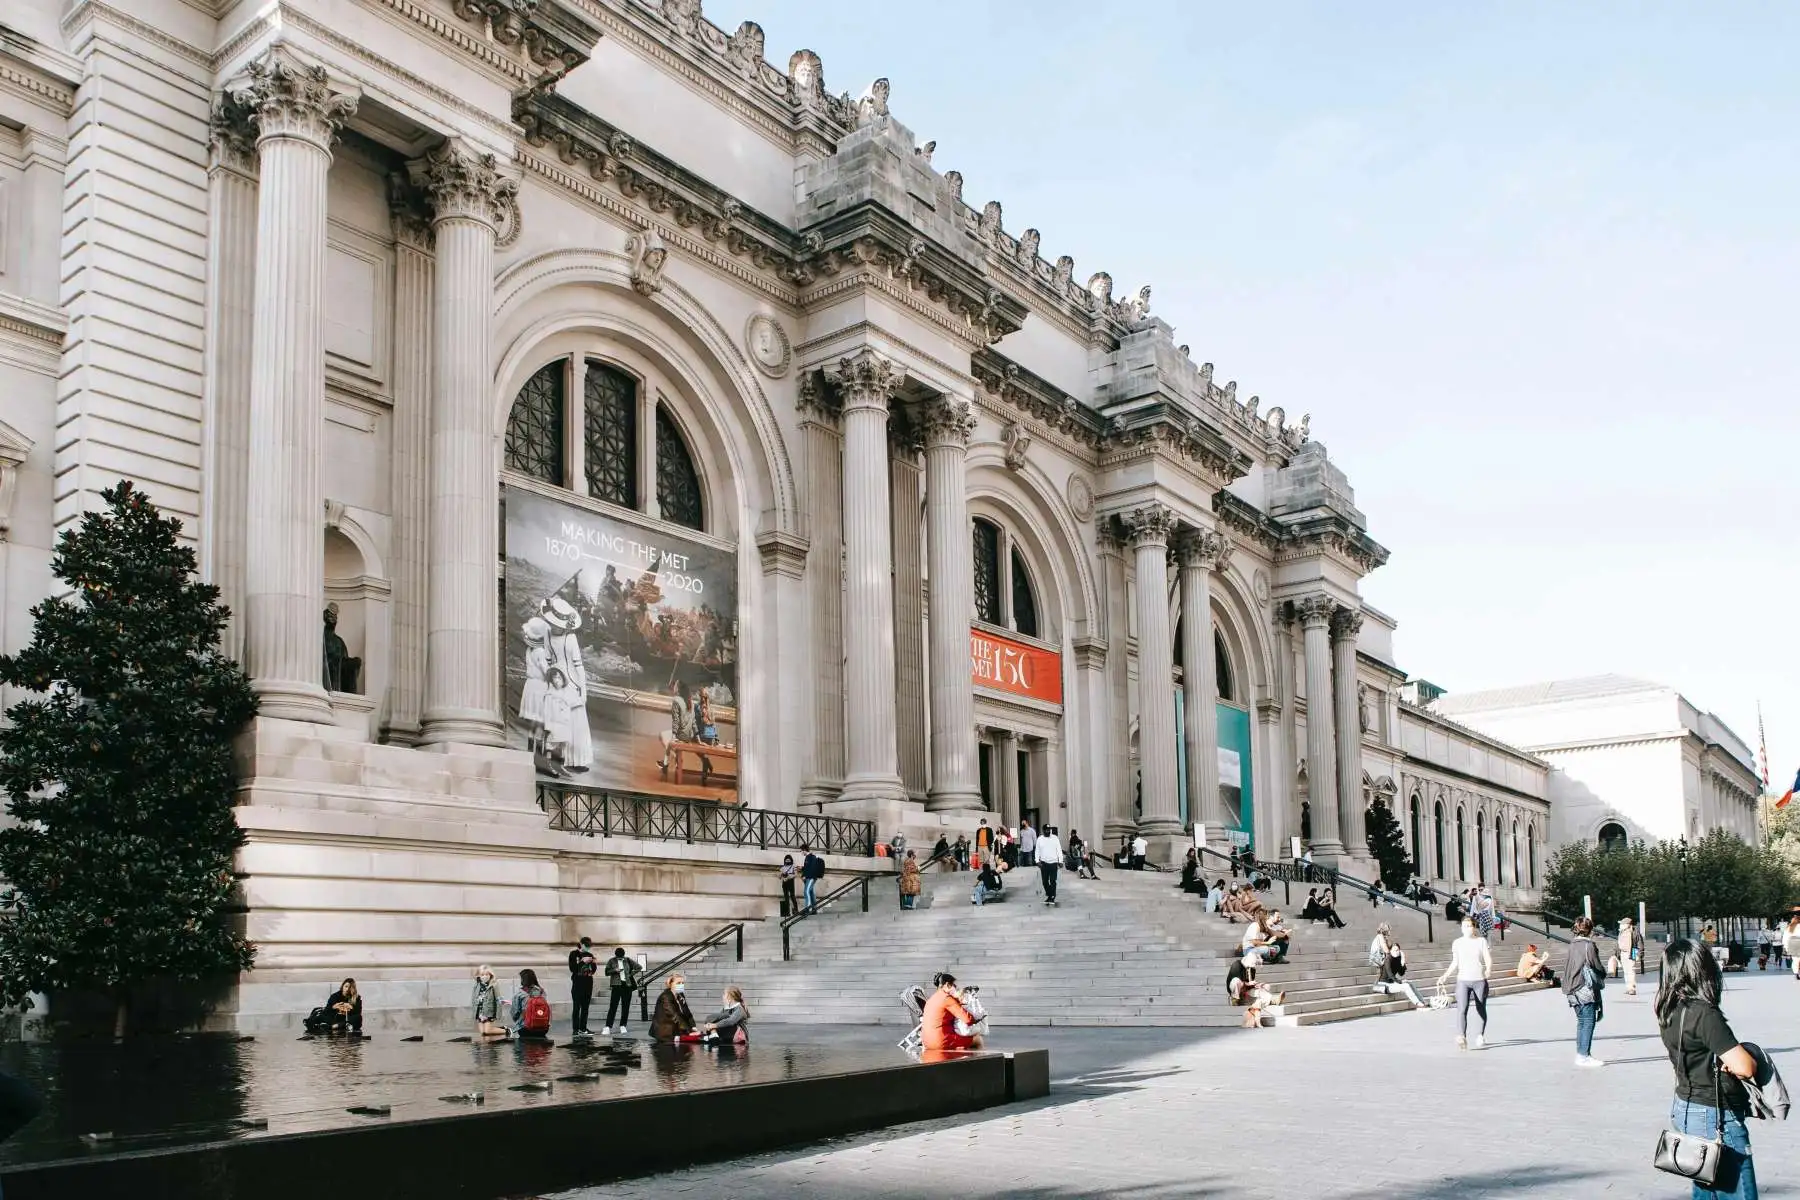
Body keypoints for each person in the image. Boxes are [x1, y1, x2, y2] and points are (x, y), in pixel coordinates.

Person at [1657, 938, 1761, 1199]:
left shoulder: (1667, 1007)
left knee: (1706, 1186)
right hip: (1714, 1114)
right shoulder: (1703, 1013)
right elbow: (1745, 1067)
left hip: (1686, 1104)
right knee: (1738, 1190)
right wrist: (1751, 1057)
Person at [1436, 917, 1493, 1051]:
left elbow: (1487, 958)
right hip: (1463, 980)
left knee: (1480, 1008)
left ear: (1474, 928)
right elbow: (1455, 962)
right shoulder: (1457, 943)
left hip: (1479, 979)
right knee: (1462, 1009)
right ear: (1461, 928)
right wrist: (1445, 975)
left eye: (1469, 926)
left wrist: (1488, 969)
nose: (1466, 928)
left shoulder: (1481, 941)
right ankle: (1462, 1036)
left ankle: (1480, 1034)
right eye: (1464, 926)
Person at [1564, 915, 1607, 1067]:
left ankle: (1581, 1053)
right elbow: (1597, 966)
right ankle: (1583, 1055)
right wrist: (1604, 973)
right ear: (1589, 930)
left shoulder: (1572, 945)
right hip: (1584, 987)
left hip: (1571, 987)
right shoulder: (1588, 946)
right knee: (1588, 1022)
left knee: (1582, 1021)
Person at [921, 972, 983, 1052]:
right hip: (940, 1041)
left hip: (926, 1041)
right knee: (977, 1039)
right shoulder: (947, 998)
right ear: (947, 985)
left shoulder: (931, 999)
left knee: (962, 1041)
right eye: (954, 986)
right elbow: (968, 1020)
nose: (955, 988)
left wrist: (957, 1000)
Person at [1226, 954, 1283, 1027]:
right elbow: (1236, 981)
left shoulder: (1252, 969)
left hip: (1246, 989)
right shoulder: (1237, 965)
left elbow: (1250, 983)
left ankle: (1274, 999)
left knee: (1265, 987)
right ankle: (1235, 1000)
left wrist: (1257, 985)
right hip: (1237, 989)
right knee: (1236, 981)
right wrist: (1248, 983)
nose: (1252, 967)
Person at [1376, 938, 1428, 1009]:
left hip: (1392, 983)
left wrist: (1403, 962)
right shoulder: (1388, 959)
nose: (1396, 952)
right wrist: (1400, 981)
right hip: (1384, 985)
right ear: (1390, 951)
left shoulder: (1398, 958)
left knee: (1410, 983)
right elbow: (1390, 975)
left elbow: (1401, 973)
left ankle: (1423, 1001)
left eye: (1397, 950)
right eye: (1394, 950)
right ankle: (1417, 1003)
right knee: (1405, 986)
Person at [651, 973, 697, 1042]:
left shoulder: (680, 995)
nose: (681, 985)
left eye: (682, 983)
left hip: (676, 1027)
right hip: (665, 1030)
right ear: (671, 984)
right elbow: (674, 1015)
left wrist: (693, 1026)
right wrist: (689, 1031)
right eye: (678, 983)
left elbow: (687, 1012)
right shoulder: (665, 996)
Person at [568, 936, 598, 1036]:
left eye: (589, 946)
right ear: (581, 944)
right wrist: (582, 961)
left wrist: (593, 963)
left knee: (585, 1007)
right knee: (576, 1007)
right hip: (577, 983)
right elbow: (573, 969)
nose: (588, 948)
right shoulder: (573, 954)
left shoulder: (589, 954)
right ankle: (575, 1029)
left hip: (588, 983)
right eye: (586, 946)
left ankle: (583, 1028)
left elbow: (593, 970)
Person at [603, 947, 637, 1035]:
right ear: (615, 955)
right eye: (618, 958)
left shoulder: (628, 960)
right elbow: (606, 972)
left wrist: (630, 974)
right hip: (616, 986)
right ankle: (608, 1026)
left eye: (621, 957)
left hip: (627, 986)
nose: (620, 959)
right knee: (613, 1006)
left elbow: (639, 967)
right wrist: (614, 970)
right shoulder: (611, 961)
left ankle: (623, 1025)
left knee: (625, 1007)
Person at [511, 968, 551, 1039]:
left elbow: (514, 1014)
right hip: (543, 1029)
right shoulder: (541, 991)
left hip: (525, 1029)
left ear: (523, 979)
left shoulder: (520, 994)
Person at [472, 965, 506, 1038]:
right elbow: (473, 998)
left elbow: (498, 999)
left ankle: (507, 1031)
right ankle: (487, 1048)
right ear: (479, 975)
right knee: (483, 1033)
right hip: (479, 1012)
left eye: (486, 974)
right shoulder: (477, 984)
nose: (484, 976)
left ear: (490, 975)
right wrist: (474, 1012)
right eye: (482, 975)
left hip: (489, 1012)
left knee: (487, 1031)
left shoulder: (493, 985)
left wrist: (498, 1014)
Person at [1035, 825, 1063, 905]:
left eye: (1049, 830)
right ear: (1043, 830)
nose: (1048, 831)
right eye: (1046, 830)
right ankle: (1049, 895)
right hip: (1044, 863)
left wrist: (1060, 861)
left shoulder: (1055, 838)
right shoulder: (1040, 839)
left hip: (1053, 863)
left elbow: (1059, 850)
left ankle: (1052, 896)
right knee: (1044, 882)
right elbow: (1037, 851)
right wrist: (1037, 861)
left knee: (1053, 880)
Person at [800, 843, 826, 914]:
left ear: (804, 850)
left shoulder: (812, 857)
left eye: (801, 851)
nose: (801, 852)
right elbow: (807, 868)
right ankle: (814, 909)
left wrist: (805, 875)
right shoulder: (808, 857)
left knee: (806, 891)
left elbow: (812, 868)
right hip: (809, 877)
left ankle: (807, 908)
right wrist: (802, 869)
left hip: (811, 877)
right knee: (811, 892)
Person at [1619, 917, 1640, 995]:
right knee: (1626, 971)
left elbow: (1639, 943)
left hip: (1633, 951)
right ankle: (1628, 987)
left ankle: (1632, 988)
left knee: (1631, 970)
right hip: (1623, 952)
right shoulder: (1621, 931)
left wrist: (1638, 954)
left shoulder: (1634, 932)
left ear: (1627, 924)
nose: (1620, 925)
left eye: (1622, 924)